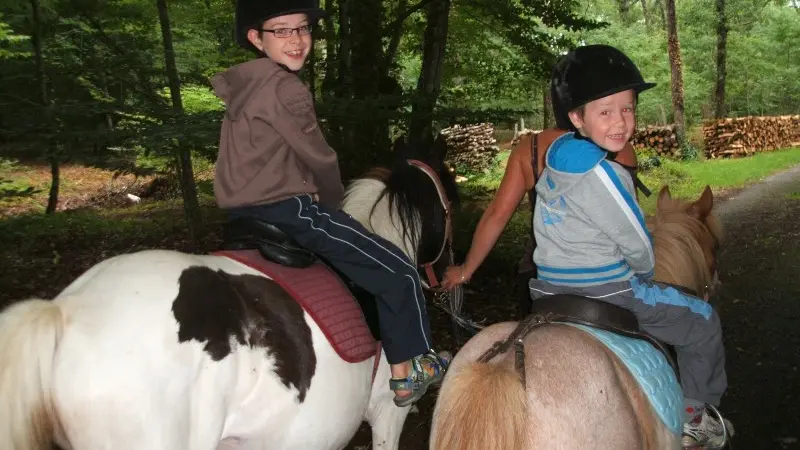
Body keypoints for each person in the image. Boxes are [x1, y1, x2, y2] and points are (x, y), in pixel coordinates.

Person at [210, 0, 448, 407]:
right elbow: (320, 157)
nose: (297, 40)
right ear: (256, 38)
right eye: (282, 31)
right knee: (400, 271)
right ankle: (410, 371)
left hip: (241, 213)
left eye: (303, 29)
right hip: (291, 209)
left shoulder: (243, 88)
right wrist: (334, 205)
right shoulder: (286, 87)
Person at [529, 44, 732, 446]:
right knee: (703, 321)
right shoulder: (607, 173)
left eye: (628, 109)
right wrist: (645, 269)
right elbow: (637, 242)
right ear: (577, 117)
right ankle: (696, 418)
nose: (621, 122)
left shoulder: (552, 165)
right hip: (610, 289)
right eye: (606, 112)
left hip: (548, 289)